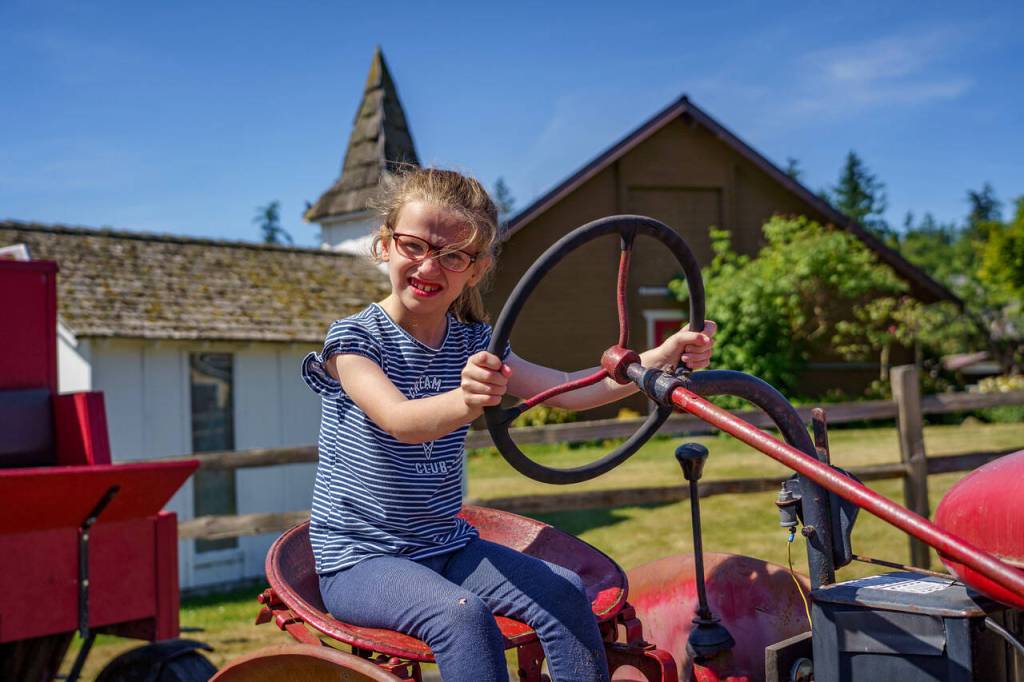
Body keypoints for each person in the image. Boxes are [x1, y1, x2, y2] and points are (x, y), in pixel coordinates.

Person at [302, 168, 716, 681]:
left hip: (447, 546)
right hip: (362, 562)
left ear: (475, 270)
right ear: (384, 245)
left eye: (453, 256)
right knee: (461, 617)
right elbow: (401, 422)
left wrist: (653, 361)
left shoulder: (475, 342)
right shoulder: (355, 340)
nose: (429, 265)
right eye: (414, 246)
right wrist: (467, 399)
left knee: (564, 591)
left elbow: (569, 388)